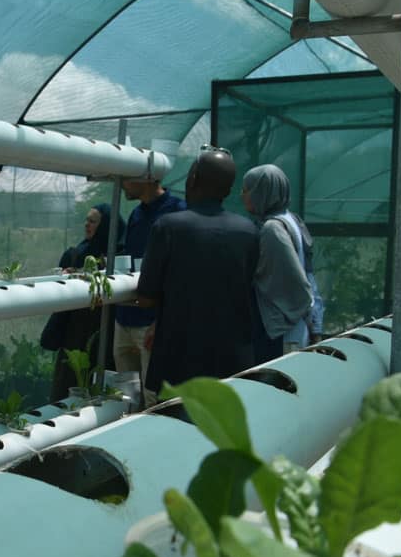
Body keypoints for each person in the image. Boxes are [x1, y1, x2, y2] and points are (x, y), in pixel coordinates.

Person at [136, 147, 259, 400]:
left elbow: (146, 298)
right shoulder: (248, 231)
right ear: (228, 189)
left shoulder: (169, 227)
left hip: (178, 365)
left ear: (192, 180)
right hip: (233, 363)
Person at [113, 177, 185, 407]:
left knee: (154, 394)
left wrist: (160, 320)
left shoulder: (177, 211)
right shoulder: (136, 214)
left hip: (151, 321)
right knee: (126, 395)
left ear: (146, 177)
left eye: (126, 177)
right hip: (125, 317)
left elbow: (180, 273)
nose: (122, 183)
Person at [42, 203, 124, 402]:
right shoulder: (77, 253)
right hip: (76, 329)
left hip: (107, 329)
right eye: (86, 220)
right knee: (70, 378)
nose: (87, 225)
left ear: (106, 226)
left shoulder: (120, 256)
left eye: (93, 221)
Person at [241, 164, 317, 361]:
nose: (242, 195)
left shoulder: (272, 229)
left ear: (261, 192)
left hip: (281, 328)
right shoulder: (292, 220)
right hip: (295, 324)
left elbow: (296, 281)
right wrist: (315, 322)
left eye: (247, 189)